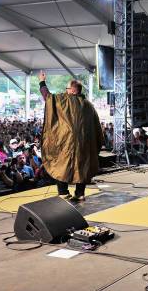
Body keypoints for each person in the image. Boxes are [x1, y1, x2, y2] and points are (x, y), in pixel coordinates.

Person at [39, 71, 103, 202]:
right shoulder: (89, 106)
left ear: (73, 91)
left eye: (67, 88)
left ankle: (63, 192)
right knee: (83, 167)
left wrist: (42, 82)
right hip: (84, 146)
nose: (65, 91)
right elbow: (96, 128)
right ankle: (80, 193)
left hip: (65, 143)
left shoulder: (64, 101)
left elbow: (48, 97)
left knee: (59, 164)